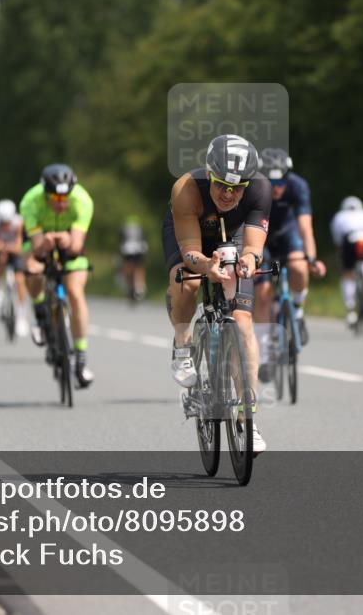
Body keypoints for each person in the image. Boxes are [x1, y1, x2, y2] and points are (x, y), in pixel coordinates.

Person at [163, 134, 270, 453]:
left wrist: (249, 262)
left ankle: (246, 418)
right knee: (189, 282)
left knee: (243, 322)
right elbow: (191, 253)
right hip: (192, 236)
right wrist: (207, 265)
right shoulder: (186, 188)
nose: (228, 193)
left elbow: (253, 247)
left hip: (234, 236)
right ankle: (183, 345)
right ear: (209, 174)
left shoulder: (260, 188)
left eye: (237, 188)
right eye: (222, 184)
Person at [252, 148, 326, 382]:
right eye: (271, 181)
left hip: (286, 233)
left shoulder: (298, 186)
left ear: (288, 177)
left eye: (281, 180)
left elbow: (305, 228)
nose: (277, 187)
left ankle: (297, 309)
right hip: (260, 236)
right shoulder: (253, 187)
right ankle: (264, 353)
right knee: (262, 292)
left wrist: (311, 258)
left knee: (299, 267)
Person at [19, 164, 95, 388]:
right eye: (54, 197)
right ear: (45, 193)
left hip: (70, 245)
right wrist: (46, 242)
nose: (60, 202)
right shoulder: (30, 202)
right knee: (32, 270)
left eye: (65, 197)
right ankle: (41, 313)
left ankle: (80, 356)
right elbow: (36, 248)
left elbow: (77, 245)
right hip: (40, 242)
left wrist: (67, 240)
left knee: (75, 292)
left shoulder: (83, 200)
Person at [330, 196, 363, 327]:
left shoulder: (339, 216)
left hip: (350, 239)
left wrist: (340, 253)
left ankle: (350, 310)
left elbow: (338, 240)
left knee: (348, 273)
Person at [0, 199, 30, 337]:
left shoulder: (19, 223)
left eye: (7, 223)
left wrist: (4, 246)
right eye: (2, 223)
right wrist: (1, 248)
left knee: (19, 280)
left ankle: (22, 315)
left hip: (16, 253)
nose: (5, 226)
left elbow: (18, 247)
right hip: (2, 254)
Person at [119, 215, 148, 302]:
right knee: (139, 267)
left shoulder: (123, 228)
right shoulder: (140, 228)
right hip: (139, 249)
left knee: (128, 267)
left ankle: (128, 285)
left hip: (127, 249)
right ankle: (140, 286)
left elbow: (121, 240)